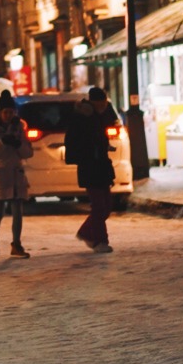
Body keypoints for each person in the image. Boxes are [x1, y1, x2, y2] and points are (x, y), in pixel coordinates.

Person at [67, 88, 117, 253]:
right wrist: (93, 149)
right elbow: (79, 141)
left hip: (101, 165)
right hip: (91, 166)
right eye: (101, 103)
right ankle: (100, 240)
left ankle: (86, 232)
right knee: (99, 206)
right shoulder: (83, 117)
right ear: (94, 102)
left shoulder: (99, 115)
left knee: (106, 205)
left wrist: (104, 145)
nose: (104, 105)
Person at [0, 90, 32, 258]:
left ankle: (16, 244)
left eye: (11, 112)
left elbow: (28, 153)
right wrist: (2, 143)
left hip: (16, 174)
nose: (8, 115)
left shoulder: (19, 128)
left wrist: (18, 144)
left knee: (17, 212)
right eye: (5, 112)